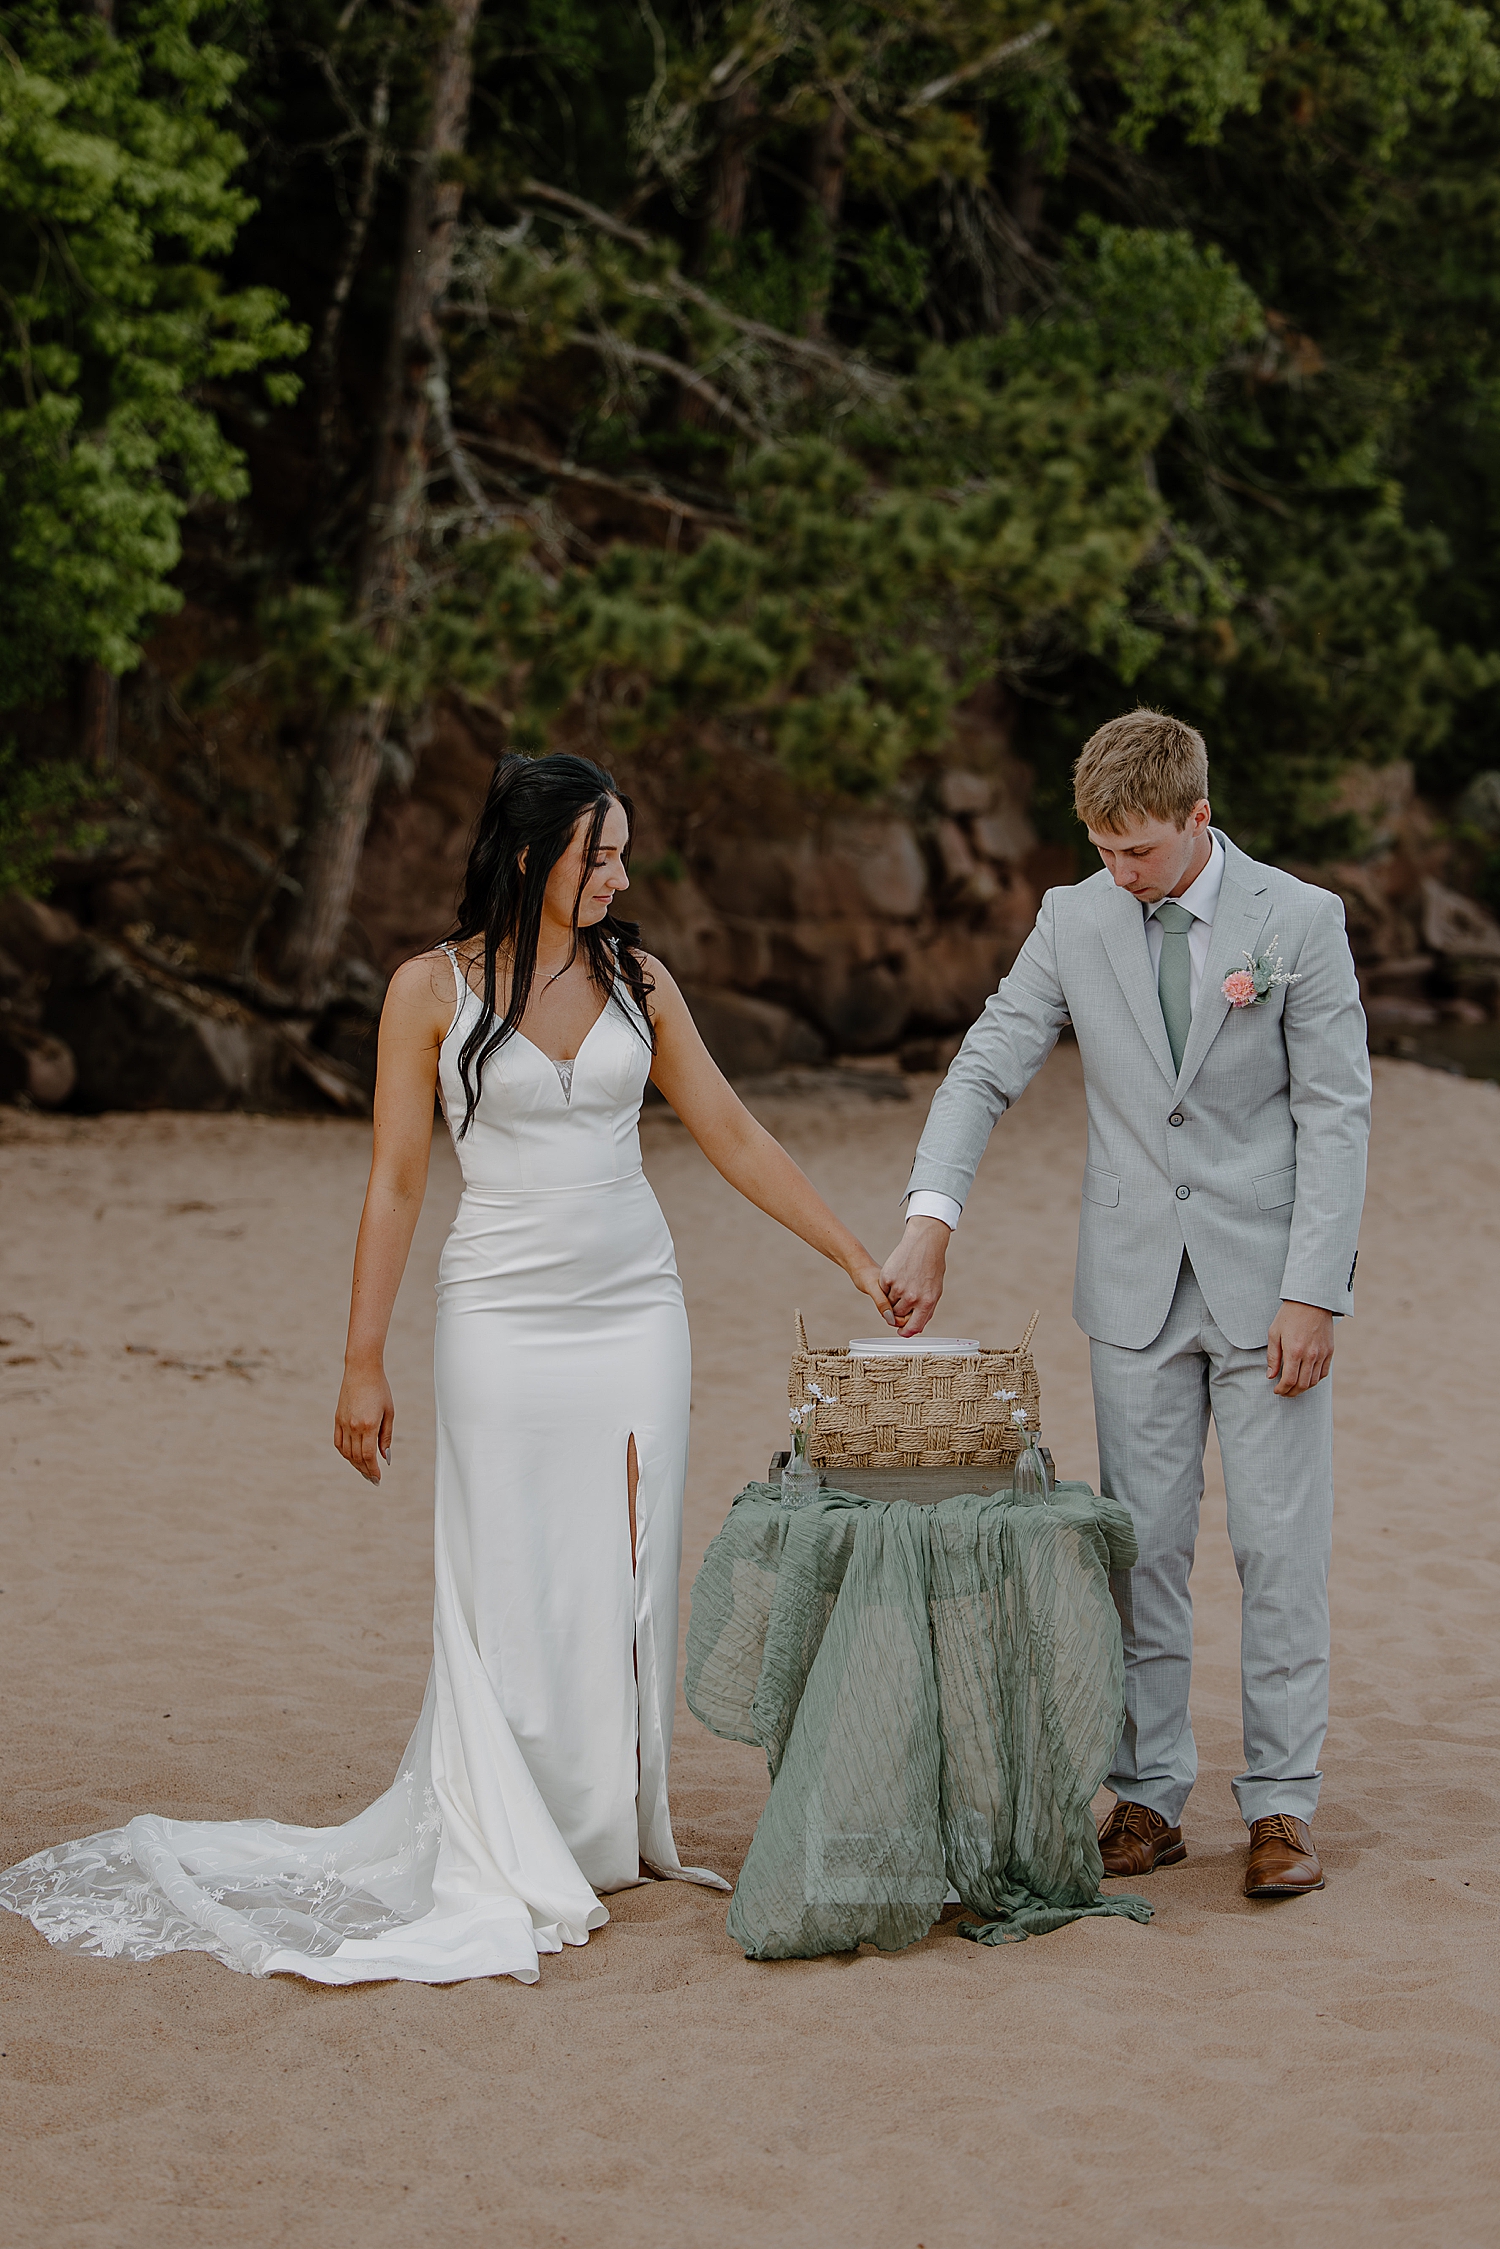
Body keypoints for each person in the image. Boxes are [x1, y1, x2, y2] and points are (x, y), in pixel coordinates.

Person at [0, 752, 894, 1985]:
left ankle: (604, 1829)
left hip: (638, 1302)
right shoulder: (429, 989)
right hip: (501, 1311)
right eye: (601, 855)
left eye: (625, 850)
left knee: (629, 1552)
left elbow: (731, 1128)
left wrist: (853, 1254)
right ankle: (516, 1825)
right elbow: (397, 1180)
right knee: (512, 1554)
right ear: (530, 855)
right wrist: (359, 1360)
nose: (621, 874)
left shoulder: (639, 977)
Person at [880, 710, 1370, 1900]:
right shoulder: (1072, 916)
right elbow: (989, 1061)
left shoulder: (1299, 921)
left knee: (1276, 1547)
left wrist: (1315, 1289)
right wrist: (931, 1214)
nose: (1120, 872)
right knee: (1138, 1552)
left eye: (1139, 852)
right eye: (1101, 849)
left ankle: (1284, 1805)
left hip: (1270, 1294)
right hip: (1134, 1289)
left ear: (1199, 818)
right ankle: (1149, 1791)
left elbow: (1336, 1113)